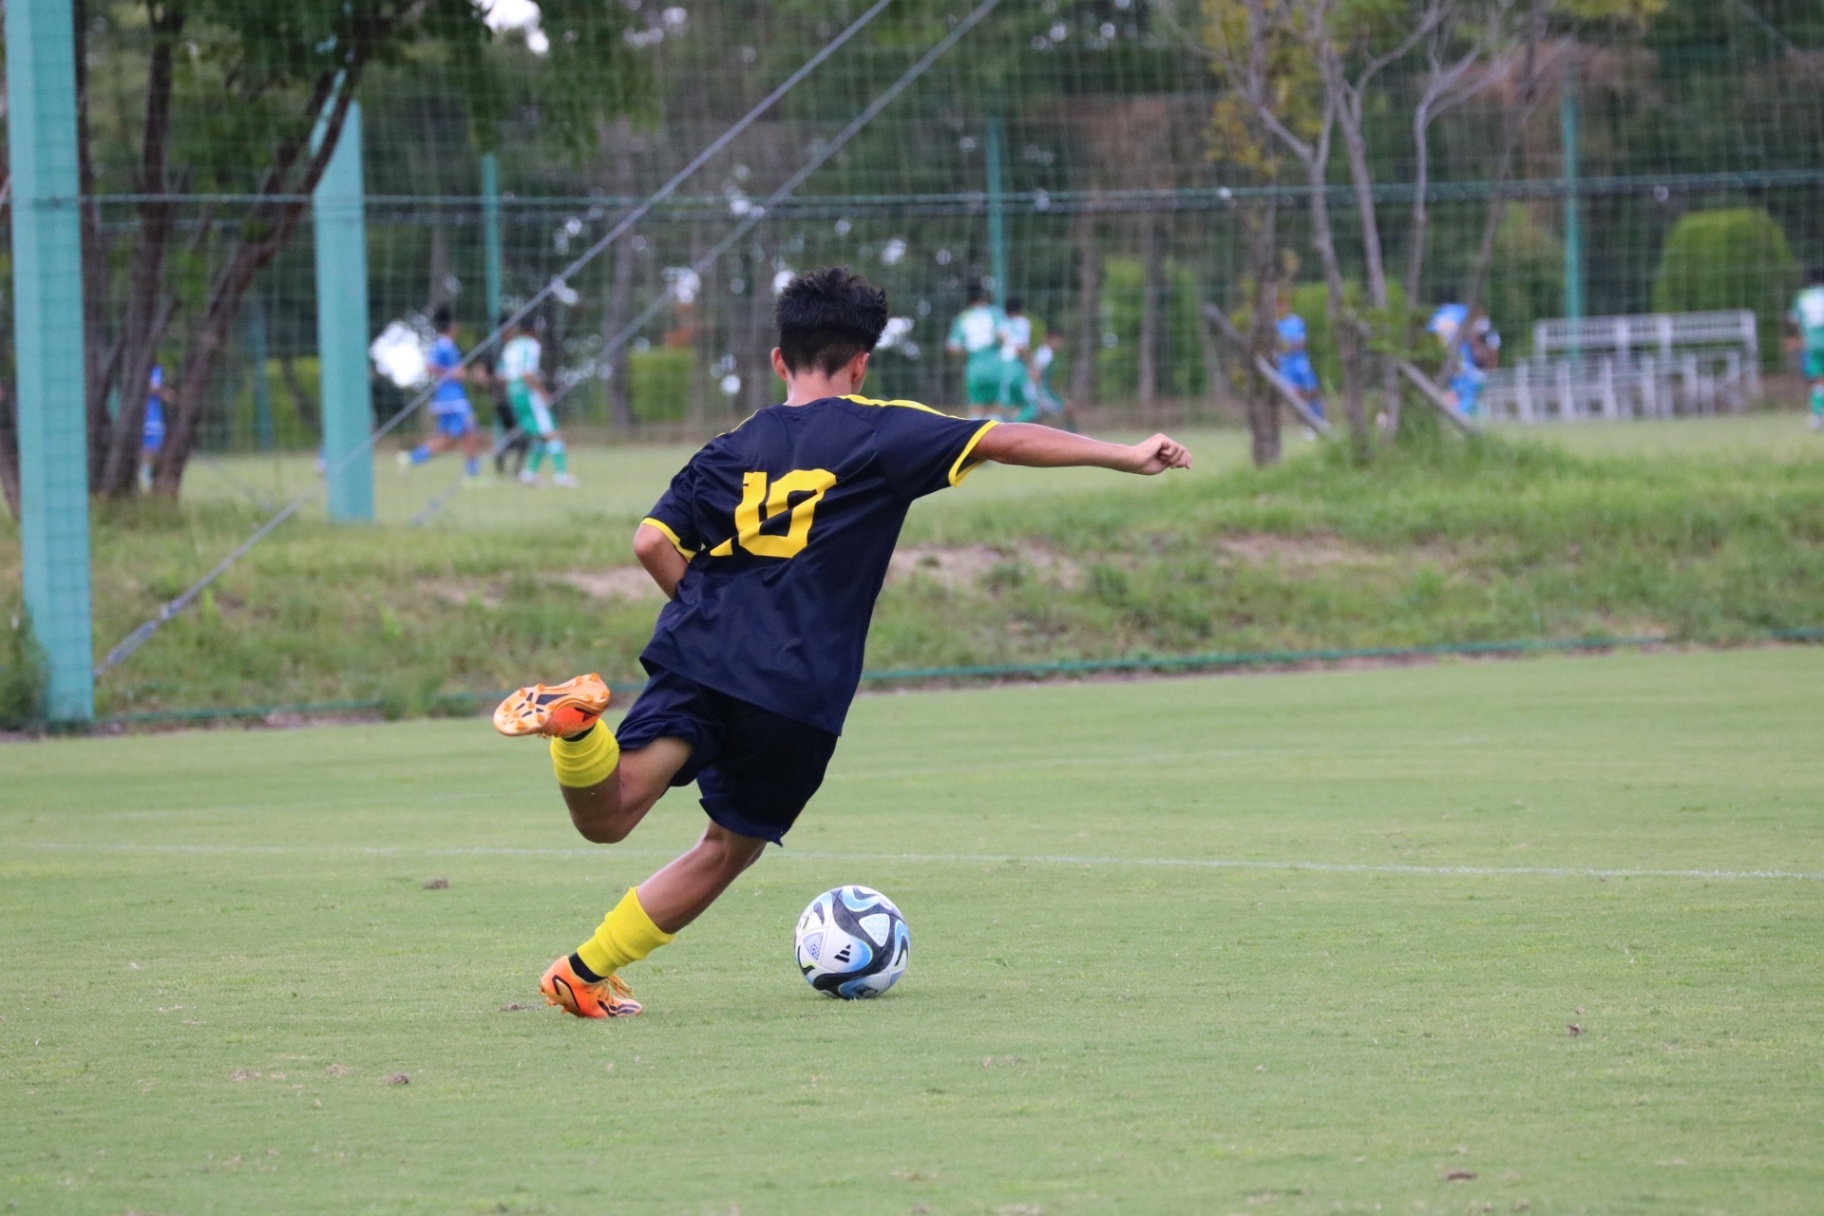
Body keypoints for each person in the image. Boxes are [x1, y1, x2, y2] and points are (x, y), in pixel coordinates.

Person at [491, 267, 1192, 1019]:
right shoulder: (881, 430)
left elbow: (649, 542)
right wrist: (1126, 454)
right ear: (861, 364)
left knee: (608, 816)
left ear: (778, 359)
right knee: (725, 849)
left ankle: (578, 731)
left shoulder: (729, 447)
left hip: (701, 654)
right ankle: (581, 972)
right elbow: (1005, 437)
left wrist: (715, 619)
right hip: (796, 689)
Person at [397, 305, 483, 480]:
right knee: (470, 431)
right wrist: (453, 373)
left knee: (449, 441)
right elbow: (430, 366)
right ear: (450, 325)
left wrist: (466, 374)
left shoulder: (449, 345)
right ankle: (472, 474)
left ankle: (410, 458)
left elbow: (456, 372)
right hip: (452, 399)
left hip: (450, 398)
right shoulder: (443, 345)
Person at [499, 315, 578, 487]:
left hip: (513, 393)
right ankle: (561, 475)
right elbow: (527, 373)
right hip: (527, 393)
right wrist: (542, 393)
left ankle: (529, 474)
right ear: (534, 329)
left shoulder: (511, 345)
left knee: (539, 435)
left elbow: (502, 375)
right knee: (551, 432)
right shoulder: (531, 345)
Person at [478, 317, 532, 478]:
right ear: (507, 329)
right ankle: (512, 466)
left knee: (513, 434)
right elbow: (481, 374)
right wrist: (499, 383)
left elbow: (480, 375)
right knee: (524, 434)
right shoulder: (507, 349)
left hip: (501, 400)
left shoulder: (497, 349)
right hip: (510, 399)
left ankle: (502, 460)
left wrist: (491, 386)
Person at [944, 283, 1005, 416]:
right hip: (995, 366)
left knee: (975, 407)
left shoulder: (963, 317)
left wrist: (968, 352)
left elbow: (952, 347)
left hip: (974, 367)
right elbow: (1003, 335)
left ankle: (976, 428)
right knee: (995, 407)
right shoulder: (994, 312)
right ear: (983, 295)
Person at [1275, 296, 1324, 422]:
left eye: (1283, 305)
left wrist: (1287, 346)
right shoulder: (1274, 325)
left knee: (1311, 388)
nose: (1281, 308)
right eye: (1278, 305)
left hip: (1300, 361)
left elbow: (1300, 343)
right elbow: (1277, 346)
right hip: (1285, 364)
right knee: (1293, 394)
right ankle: (1305, 421)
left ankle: (1318, 418)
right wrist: (1287, 346)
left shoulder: (1297, 321)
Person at [1014, 331, 1075, 430]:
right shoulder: (1045, 354)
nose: (1061, 344)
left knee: (1038, 417)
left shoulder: (1046, 353)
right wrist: (1039, 394)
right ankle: (1072, 433)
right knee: (1067, 408)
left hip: (1041, 390)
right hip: (1040, 391)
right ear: (1052, 339)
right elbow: (1036, 373)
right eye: (1059, 341)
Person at [1788, 267, 1824, 431]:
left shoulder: (1802, 296)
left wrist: (1796, 339)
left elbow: (1792, 320)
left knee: (1818, 380)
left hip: (1812, 344)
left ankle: (1816, 416)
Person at [996, 296, 1033, 417]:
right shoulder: (1023, 323)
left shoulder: (1001, 323)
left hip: (1002, 363)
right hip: (1016, 364)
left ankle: (1002, 423)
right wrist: (1029, 362)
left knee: (1004, 401)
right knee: (1024, 403)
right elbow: (1021, 347)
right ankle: (1016, 423)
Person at [139, 365, 167, 492]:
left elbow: (154, 387)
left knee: (156, 449)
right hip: (147, 416)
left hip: (154, 415)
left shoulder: (157, 369)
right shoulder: (141, 367)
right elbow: (153, 388)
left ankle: (152, 478)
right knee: (146, 449)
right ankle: (147, 479)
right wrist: (164, 393)